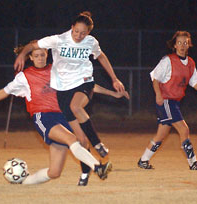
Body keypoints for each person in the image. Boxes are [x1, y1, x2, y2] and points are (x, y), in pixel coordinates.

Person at [0, 45, 126, 185]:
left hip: (64, 117)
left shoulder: (58, 70)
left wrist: (112, 93)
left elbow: (86, 85)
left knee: (54, 172)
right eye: (36, 55)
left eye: (42, 55)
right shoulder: (24, 77)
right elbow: (4, 92)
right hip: (44, 117)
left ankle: (22, 184)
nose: (40, 58)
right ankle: (98, 167)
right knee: (74, 139)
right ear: (30, 57)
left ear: (47, 54)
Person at [14, 11, 126, 186]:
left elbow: (101, 58)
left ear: (88, 32)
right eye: (76, 31)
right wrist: (22, 54)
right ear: (71, 28)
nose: (79, 36)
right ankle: (83, 174)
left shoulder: (91, 42)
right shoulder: (58, 41)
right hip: (63, 94)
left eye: (83, 33)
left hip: (84, 83)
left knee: (76, 109)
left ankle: (97, 151)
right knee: (71, 150)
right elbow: (33, 45)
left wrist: (114, 80)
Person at [137, 31, 197, 170]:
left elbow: (194, 82)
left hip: (174, 102)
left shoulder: (190, 63)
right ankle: (193, 163)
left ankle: (143, 160)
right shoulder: (168, 60)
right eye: (179, 43)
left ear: (189, 44)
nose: (182, 45)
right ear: (174, 45)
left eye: (185, 42)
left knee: (161, 135)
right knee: (184, 130)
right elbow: (155, 79)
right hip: (166, 100)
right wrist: (158, 95)